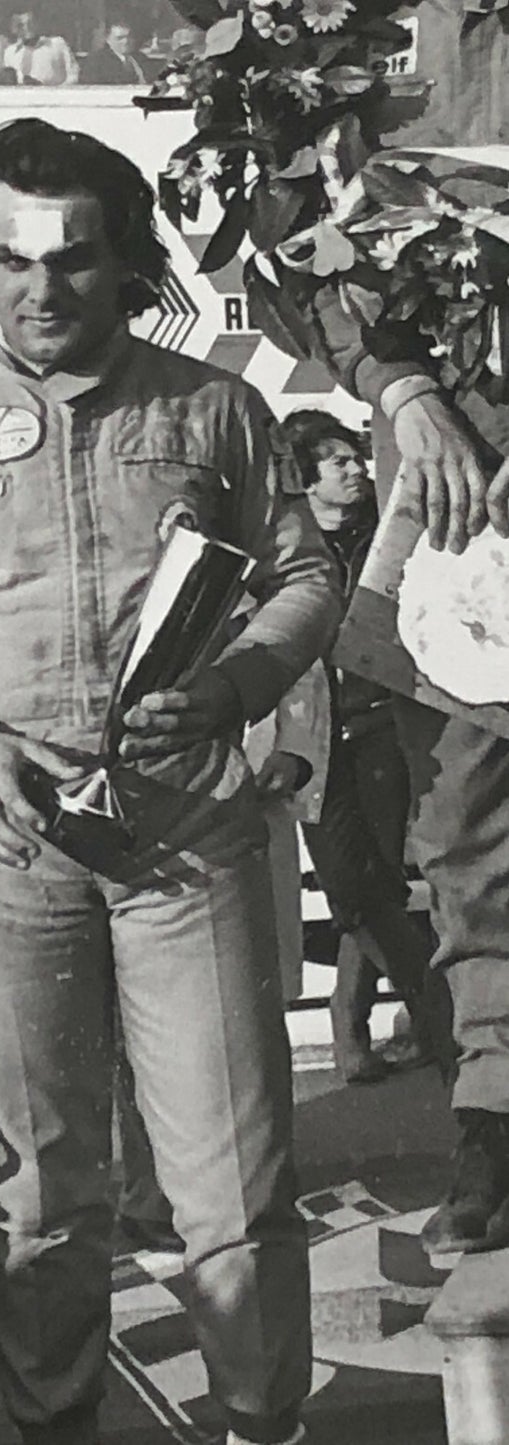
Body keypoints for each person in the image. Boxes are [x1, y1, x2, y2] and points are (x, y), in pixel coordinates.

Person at [0, 118, 340, 1445]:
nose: (41, 288)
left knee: (232, 1184)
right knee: (42, 1191)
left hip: (183, 837)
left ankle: (260, 1426)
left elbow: (307, 574)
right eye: (10, 260)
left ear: (129, 263)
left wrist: (232, 687)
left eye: (76, 260)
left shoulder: (213, 409)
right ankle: (56, 1430)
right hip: (2, 853)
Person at [292, 3, 509, 1257]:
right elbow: (307, 265)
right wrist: (401, 386)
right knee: (467, 850)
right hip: (458, 538)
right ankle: (486, 1122)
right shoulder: (360, 57)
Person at [274, 410, 456, 1084]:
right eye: (336, 462)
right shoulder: (284, 545)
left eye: (355, 458)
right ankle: (428, 1017)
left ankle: (365, 1031)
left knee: (380, 886)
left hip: (379, 725)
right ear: (303, 478)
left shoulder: (383, 533)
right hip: (309, 734)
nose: (354, 470)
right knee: (352, 890)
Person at [1, 4, 77, 85]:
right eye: (21, 25)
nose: (27, 29)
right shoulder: (10, 53)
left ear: (37, 23)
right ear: (14, 28)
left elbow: (73, 75)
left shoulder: (57, 44)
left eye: (30, 23)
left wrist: (57, 92)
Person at [78, 19, 149, 82]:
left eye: (129, 37)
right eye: (120, 38)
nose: (126, 41)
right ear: (108, 39)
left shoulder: (141, 58)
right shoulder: (96, 62)